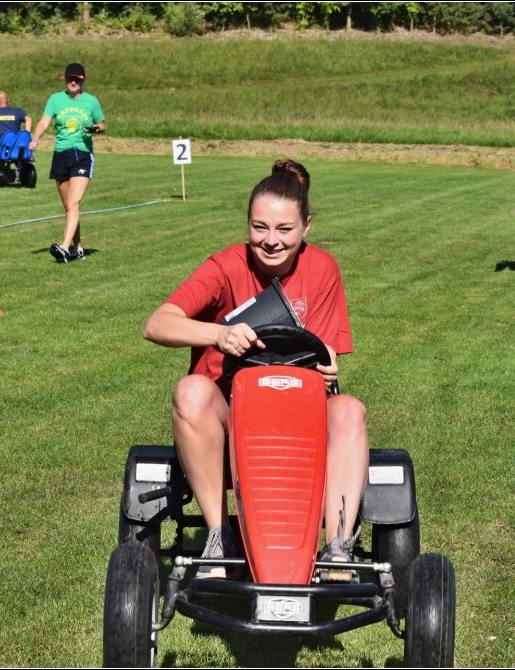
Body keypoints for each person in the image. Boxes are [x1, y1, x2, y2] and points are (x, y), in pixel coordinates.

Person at [143, 160, 370, 581]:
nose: (271, 241)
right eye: (259, 227)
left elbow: (323, 353)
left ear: (306, 227)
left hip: (300, 417)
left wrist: (327, 366)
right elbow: (156, 324)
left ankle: (337, 543)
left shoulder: (323, 269)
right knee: (190, 390)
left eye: (284, 229)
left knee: (350, 409)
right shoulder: (226, 266)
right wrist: (217, 334)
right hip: (230, 419)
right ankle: (218, 534)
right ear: (247, 225)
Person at [28, 63, 106, 263]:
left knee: (73, 202)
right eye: (70, 78)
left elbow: (102, 124)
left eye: (77, 79)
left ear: (83, 80)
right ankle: (77, 247)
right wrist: (35, 139)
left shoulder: (91, 101)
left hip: (82, 154)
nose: (73, 82)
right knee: (68, 206)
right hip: (60, 155)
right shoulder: (55, 99)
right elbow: (44, 122)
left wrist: (94, 129)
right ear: (65, 79)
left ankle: (64, 247)